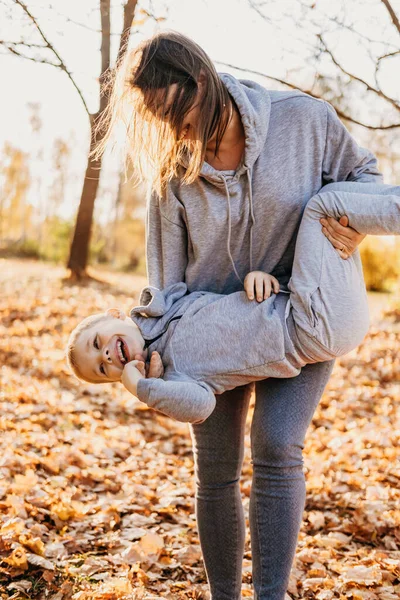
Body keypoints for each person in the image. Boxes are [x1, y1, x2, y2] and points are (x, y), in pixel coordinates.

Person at [91, 31, 385, 600]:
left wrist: (352, 229)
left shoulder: (304, 122)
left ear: (202, 81)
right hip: (217, 334)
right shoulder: (171, 168)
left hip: (297, 317)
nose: (173, 129)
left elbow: (365, 180)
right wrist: (162, 348)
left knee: (277, 444)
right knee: (217, 470)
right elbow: (167, 277)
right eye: (157, 117)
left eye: (175, 110)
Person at [66, 180, 400, 423]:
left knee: (331, 197)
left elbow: (234, 309)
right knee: (322, 208)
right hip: (309, 327)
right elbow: (200, 408)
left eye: (96, 342)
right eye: (101, 368)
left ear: (113, 314)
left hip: (299, 303)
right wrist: (143, 388)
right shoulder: (168, 376)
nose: (106, 356)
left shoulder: (171, 305)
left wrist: (262, 281)